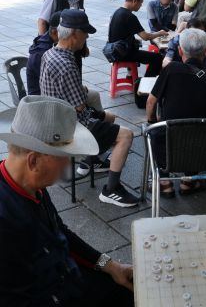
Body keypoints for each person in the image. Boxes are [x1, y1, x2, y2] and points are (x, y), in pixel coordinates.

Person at [0, 95, 134, 306]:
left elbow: (60, 233)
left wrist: (110, 265)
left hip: (69, 277)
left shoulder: (31, 185)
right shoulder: (5, 221)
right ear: (33, 161)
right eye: (64, 157)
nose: (68, 166)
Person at [40, 9, 139, 208]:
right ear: (74, 33)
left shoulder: (49, 53)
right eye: (85, 33)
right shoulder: (68, 65)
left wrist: (101, 115)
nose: (86, 37)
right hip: (71, 130)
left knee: (108, 117)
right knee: (126, 135)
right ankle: (111, 189)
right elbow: (80, 107)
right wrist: (100, 115)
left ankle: (91, 160)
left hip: (55, 120)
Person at [146, 28, 206, 197]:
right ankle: (189, 181)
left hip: (168, 151)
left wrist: (151, 121)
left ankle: (164, 183)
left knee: (156, 132)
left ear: (179, 50)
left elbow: (151, 101)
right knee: (200, 132)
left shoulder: (171, 70)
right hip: (205, 151)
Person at [108, 0, 167, 76]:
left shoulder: (117, 12)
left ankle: (130, 75)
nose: (140, 6)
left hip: (113, 51)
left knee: (137, 44)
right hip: (123, 54)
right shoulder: (129, 16)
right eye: (141, 3)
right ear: (135, 1)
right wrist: (160, 33)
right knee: (158, 58)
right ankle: (146, 83)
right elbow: (145, 37)